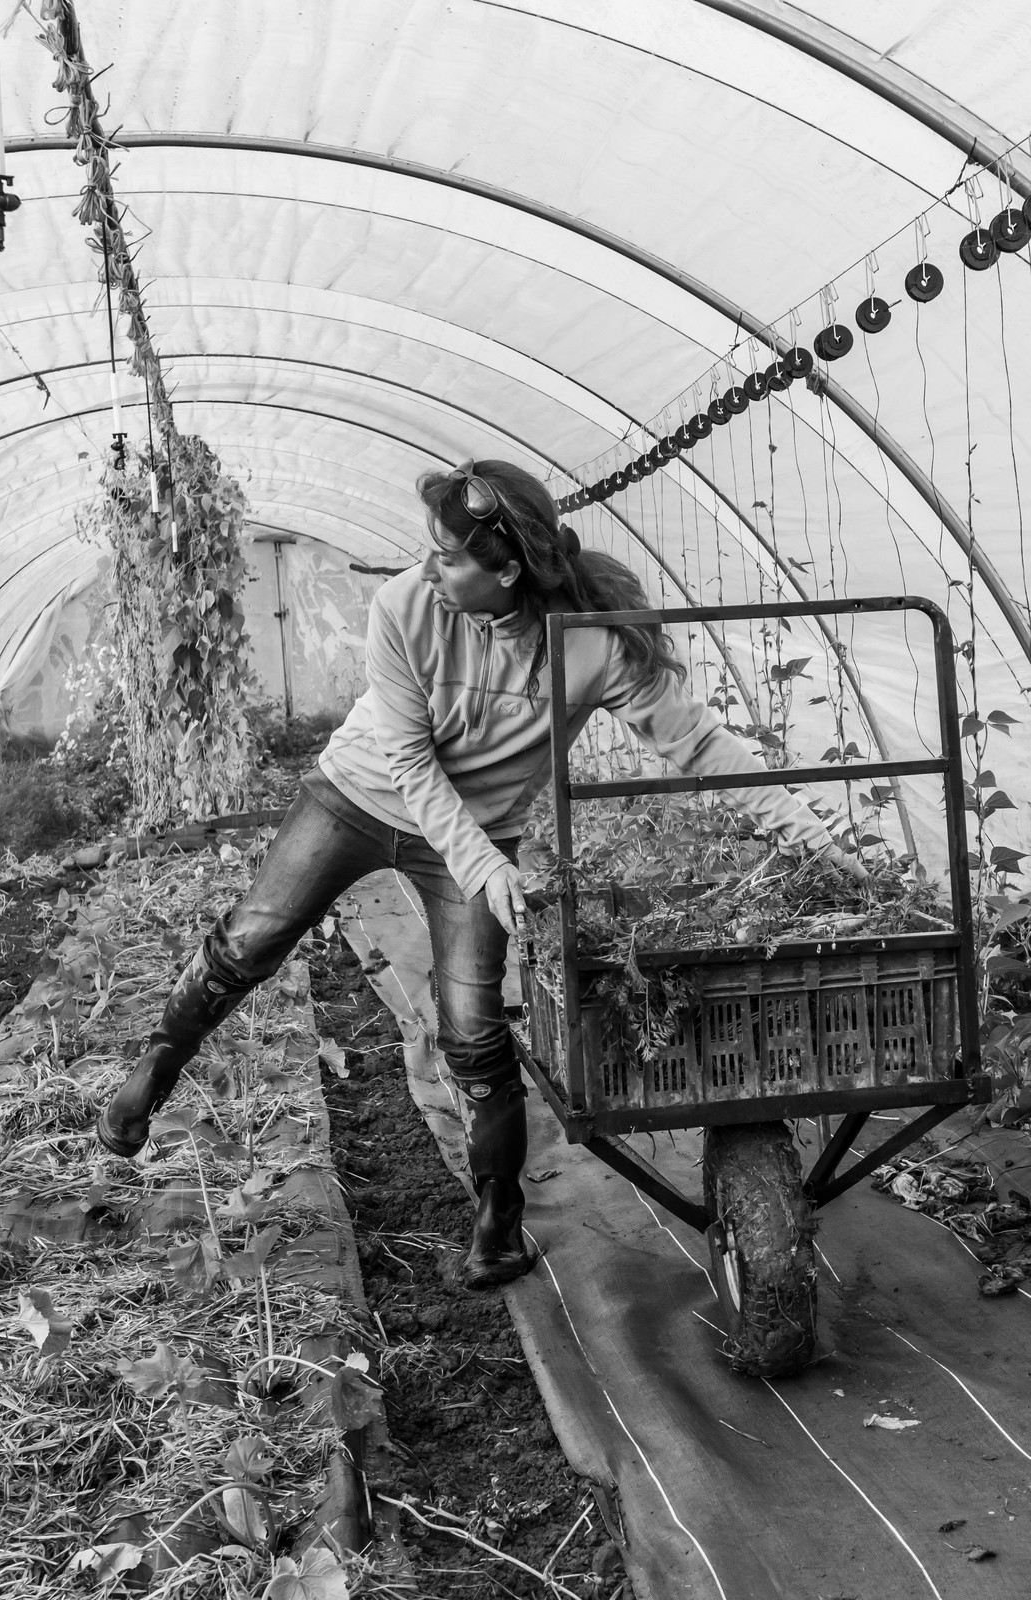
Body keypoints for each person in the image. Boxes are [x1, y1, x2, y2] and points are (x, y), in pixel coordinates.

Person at [95, 458, 865, 1287]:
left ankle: (498, 1218)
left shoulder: (589, 642)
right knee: (252, 941)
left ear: (506, 571)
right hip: (358, 794)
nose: (431, 566)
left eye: (452, 556)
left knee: (470, 1024)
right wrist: (484, 865)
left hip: (475, 833)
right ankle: (157, 1067)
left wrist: (820, 846)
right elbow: (409, 758)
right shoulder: (405, 606)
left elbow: (700, 744)